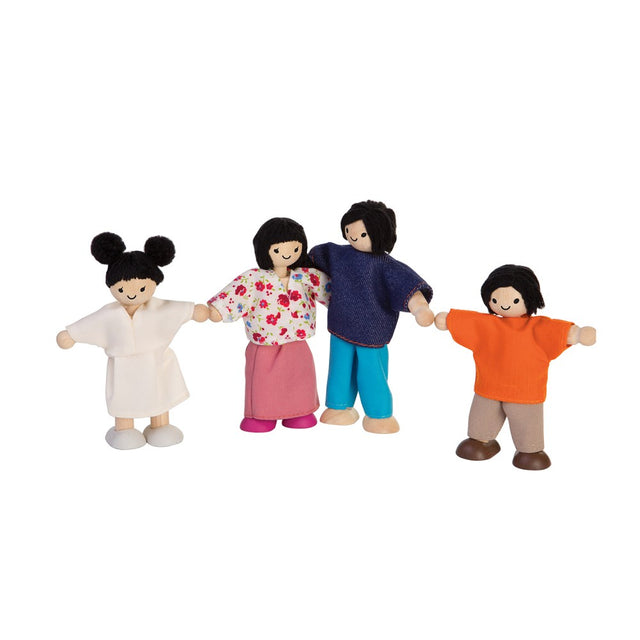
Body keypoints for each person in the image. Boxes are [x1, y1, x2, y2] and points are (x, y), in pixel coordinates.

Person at [434, 264, 596, 470]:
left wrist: (578, 334)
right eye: (495, 300)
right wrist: (449, 320)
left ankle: (530, 450)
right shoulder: (488, 325)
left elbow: (557, 332)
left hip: (525, 393)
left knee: (527, 428)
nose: (503, 305)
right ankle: (481, 441)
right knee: (480, 423)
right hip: (488, 390)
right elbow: (469, 322)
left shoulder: (537, 328)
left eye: (515, 300)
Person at [56, 232, 209, 449]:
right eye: (121, 289)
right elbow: (91, 324)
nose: (131, 294)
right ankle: (124, 429)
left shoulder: (158, 308)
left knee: (159, 394)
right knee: (124, 398)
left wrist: (194, 312)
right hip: (124, 368)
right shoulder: (110, 314)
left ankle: (160, 426)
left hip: (156, 363)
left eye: (142, 288)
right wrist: (72, 334)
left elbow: (178, 310)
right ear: (112, 286)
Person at [309, 200, 434, 434]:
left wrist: (419, 308)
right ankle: (338, 406)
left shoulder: (387, 266)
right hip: (340, 325)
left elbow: (407, 288)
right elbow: (314, 258)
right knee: (339, 368)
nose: (353, 236)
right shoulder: (338, 253)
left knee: (372, 372)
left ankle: (379, 413)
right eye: (349, 230)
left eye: (362, 233)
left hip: (372, 331)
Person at [207, 218, 330, 432]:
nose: (287, 254)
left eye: (294, 248)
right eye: (278, 249)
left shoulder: (306, 276)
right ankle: (261, 416)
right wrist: (215, 311)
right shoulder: (254, 279)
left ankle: (300, 411)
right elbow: (235, 295)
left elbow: (331, 292)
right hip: (265, 345)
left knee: (300, 378)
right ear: (265, 249)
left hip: (298, 342)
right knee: (264, 382)